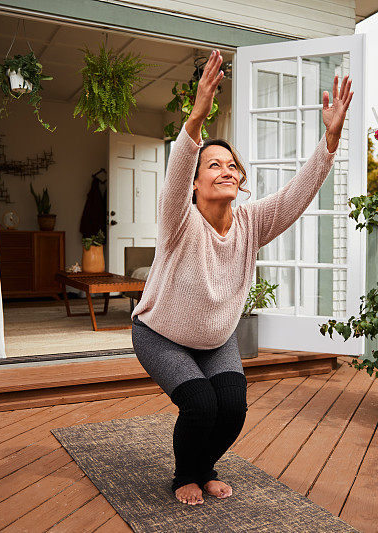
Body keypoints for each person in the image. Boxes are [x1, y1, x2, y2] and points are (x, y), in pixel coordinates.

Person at [131, 49, 353, 506]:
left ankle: (204, 466)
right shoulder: (179, 219)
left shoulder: (251, 223)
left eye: (232, 166)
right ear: (194, 182)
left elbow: (296, 194)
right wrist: (196, 119)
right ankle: (184, 477)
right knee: (200, 405)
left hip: (215, 339)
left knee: (231, 409)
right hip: (161, 334)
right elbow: (176, 173)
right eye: (213, 165)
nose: (226, 170)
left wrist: (329, 141)